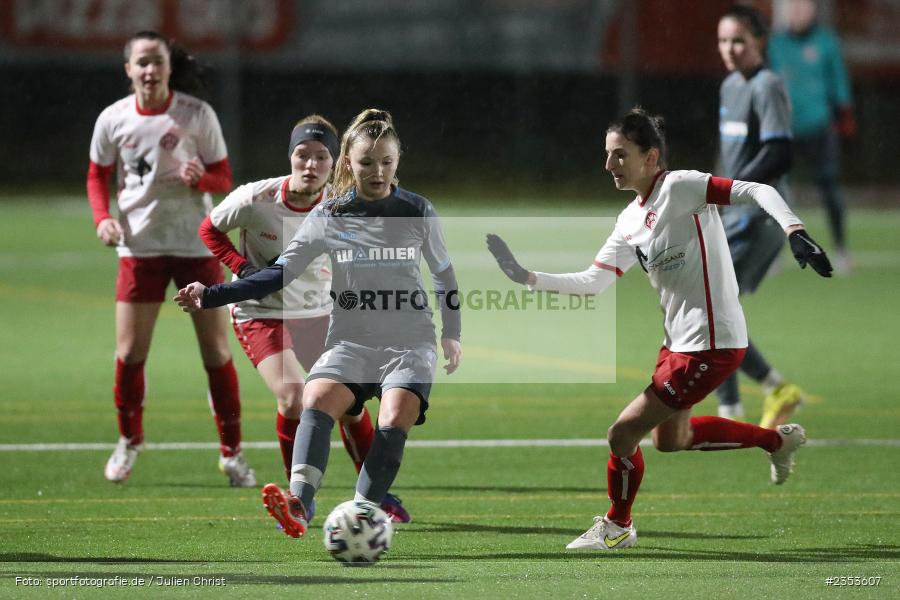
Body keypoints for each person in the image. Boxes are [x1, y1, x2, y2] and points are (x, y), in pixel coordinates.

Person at [487, 107, 831, 550]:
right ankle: (775, 442)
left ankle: (618, 525)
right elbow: (593, 283)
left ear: (651, 157)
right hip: (678, 345)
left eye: (619, 155)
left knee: (621, 433)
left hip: (712, 343)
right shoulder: (630, 220)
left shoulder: (681, 187)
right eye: (607, 155)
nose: (608, 165)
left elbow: (757, 189)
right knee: (672, 439)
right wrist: (526, 277)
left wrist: (795, 230)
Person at [175, 108, 462, 538]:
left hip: (409, 339)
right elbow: (277, 274)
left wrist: (452, 333)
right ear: (348, 163)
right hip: (351, 338)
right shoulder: (329, 215)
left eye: (386, 162)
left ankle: (364, 512)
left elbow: (444, 275)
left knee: (394, 413)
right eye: (366, 162)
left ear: (397, 161)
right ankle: (299, 504)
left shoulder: (418, 211)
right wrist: (210, 294)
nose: (377, 171)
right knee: (315, 395)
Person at [87, 31, 255, 487]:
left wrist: (202, 177)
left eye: (156, 62)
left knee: (217, 353)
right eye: (141, 62)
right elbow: (97, 176)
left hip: (196, 246)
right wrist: (103, 218)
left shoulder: (197, 114)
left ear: (167, 67)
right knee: (130, 354)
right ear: (128, 69)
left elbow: (225, 178)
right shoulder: (113, 119)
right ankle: (129, 442)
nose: (149, 70)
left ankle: (232, 452)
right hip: (139, 248)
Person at [715, 5, 806, 428]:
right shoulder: (730, 86)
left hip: (761, 218)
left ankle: (736, 406)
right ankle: (764, 391)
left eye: (739, 41)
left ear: (759, 43)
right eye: (723, 41)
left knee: (709, 304)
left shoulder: (767, 86)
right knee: (713, 308)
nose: (729, 50)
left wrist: (731, 192)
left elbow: (779, 152)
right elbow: (731, 155)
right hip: (734, 215)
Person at [770, 0, 855, 272]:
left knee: (830, 187)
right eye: (793, 7)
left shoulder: (826, 43)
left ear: (813, 11)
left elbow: (838, 80)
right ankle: (773, 254)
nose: (797, 12)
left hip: (819, 127)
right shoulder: (775, 44)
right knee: (776, 193)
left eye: (803, 7)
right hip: (785, 130)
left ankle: (841, 249)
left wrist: (844, 111)